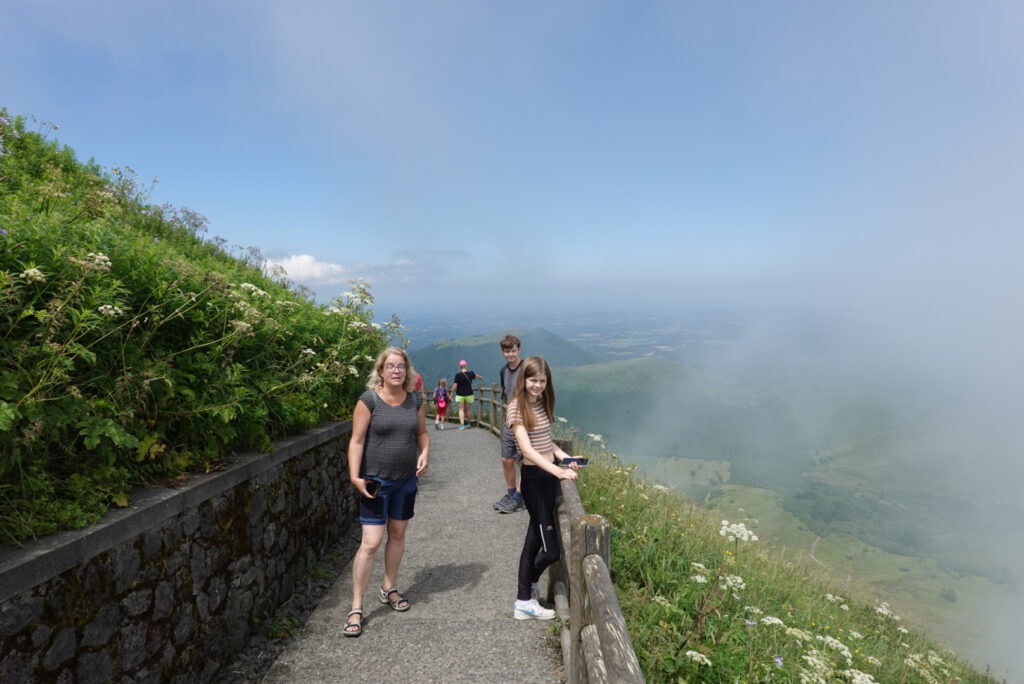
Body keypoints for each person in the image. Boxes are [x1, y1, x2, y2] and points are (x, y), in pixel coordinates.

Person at [344, 347, 430, 638]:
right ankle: (356, 606)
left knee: (397, 534)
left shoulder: (415, 400)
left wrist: (425, 452)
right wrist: (355, 476)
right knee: (371, 542)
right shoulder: (369, 400)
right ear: (380, 371)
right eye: (390, 366)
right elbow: (356, 441)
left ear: (407, 371)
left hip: (406, 481)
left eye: (401, 366)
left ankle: (388, 587)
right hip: (375, 482)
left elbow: (421, 433)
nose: (396, 371)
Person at [505, 356, 581, 620]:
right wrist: (558, 471)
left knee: (533, 542)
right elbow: (527, 450)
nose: (537, 385)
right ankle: (525, 594)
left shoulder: (540, 403)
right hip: (535, 480)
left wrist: (565, 458)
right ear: (523, 380)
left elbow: (546, 442)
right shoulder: (516, 408)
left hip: (547, 477)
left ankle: (524, 599)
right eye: (533, 380)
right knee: (551, 551)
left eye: (542, 381)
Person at [493, 335, 526, 513]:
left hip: (524, 420)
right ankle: (511, 493)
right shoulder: (503, 371)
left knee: (526, 459)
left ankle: (519, 497)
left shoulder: (526, 368)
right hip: (509, 419)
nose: (510, 354)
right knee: (506, 459)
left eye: (513, 351)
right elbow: (506, 394)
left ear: (518, 350)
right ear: (502, 352)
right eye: (507, 351)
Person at [451, 360, 482, 429]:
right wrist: (480, 377)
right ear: (466, 365)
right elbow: (476, 376)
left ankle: (462, 425)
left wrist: (451, 393)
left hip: (460, 394)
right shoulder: (471, 373)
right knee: (468, 409)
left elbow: (455, 386)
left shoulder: (458, 375)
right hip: (469, 394)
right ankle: (469, 424)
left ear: (460, 366)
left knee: (461, 409)